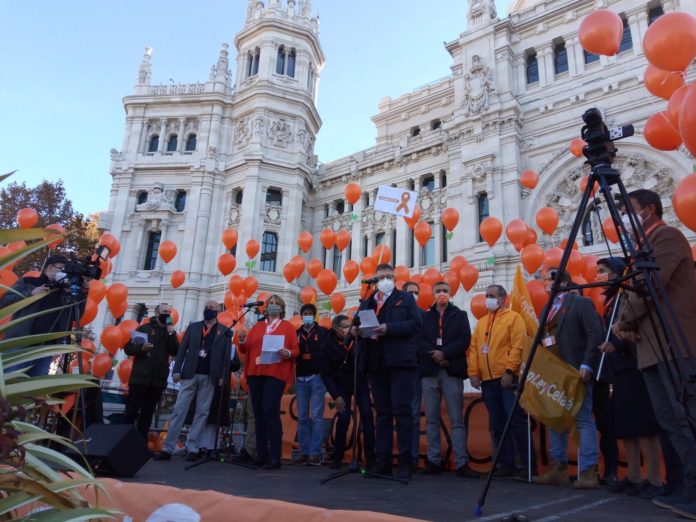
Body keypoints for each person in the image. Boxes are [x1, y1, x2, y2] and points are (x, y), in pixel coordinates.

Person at [613, 189, 696, 518]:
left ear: (648, 210)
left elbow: (649, 285)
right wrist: (630, 327)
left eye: (627, 211)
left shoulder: (666, 236)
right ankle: (687, 487)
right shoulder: (641, 248)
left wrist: (623, 321)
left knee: (684, 417)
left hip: (675, 345)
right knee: (670, 421)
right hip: (651, 348)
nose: (622, 219)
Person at [595, 258, 662, 497]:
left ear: (617, 272)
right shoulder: (610, 299)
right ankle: (634, 475)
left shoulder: (628, 293)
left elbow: (637, 324)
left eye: (603, 271)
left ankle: (653, 478)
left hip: (635, 364)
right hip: (619, 369)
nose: (599, 275)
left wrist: (617, 343)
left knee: (644, 424)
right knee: (626, 425)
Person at [532, 269, 603, 489]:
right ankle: (558, 468)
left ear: (564, 281)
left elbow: (595, 334)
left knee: (582, 419)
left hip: (575, 372)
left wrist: (587, 363)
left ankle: (589, 471)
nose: (546, 282)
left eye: (551, 278)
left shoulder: (579, 303)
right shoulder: (546, 309)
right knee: (555, 421)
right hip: (554, 374)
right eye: (544, 279)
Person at [357, 264, 422, 480]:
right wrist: (359, 330)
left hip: (400, 361)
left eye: (389, 276)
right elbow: (359, 325)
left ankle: (405, 463)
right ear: (374, 280)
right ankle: (383, 461)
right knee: (382, 414)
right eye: (381, 277)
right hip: (376, 363)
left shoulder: (405, 298)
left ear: (394, 278)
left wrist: (390, 329)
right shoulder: (368, 302)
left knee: (402, 412)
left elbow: (415, 323)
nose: (385, 280)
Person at [154, 301, 235, 461]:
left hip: (209, 376)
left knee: (202, 412)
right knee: (179, 410)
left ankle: (193, 447)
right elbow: (182, 349)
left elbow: (226, 358)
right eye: (206, 307)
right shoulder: (194, 327)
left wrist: (222, 378)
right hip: (190, 374)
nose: (208, 310)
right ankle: (167, 448)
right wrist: (176, 370)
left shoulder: (224, 332)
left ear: (218, 311)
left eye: (212, 308)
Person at [468, 284, 535, 479]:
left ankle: (528, 466)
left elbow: (518, 345)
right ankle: (505, 464)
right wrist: (473, 373)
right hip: (488, 382)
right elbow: (474, 350)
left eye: (492, 295)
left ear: (502, 298)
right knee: (497, 424)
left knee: (516, 421)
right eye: (486, 295)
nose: (487, 299)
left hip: (507, 379)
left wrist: (509, 370)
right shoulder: (481, 323)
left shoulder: (514, 318)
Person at [418, 281, 477, 478]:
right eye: (438, 291)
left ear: (450, 294)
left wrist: (444, 354)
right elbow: (419, 341)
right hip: (430, 372)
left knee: (456, 419)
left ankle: (462, 462)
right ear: (433, 294)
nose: (441, 294)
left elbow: (464, 339)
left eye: (445, 291)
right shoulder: (425, 317)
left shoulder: (459, 315)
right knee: (432, 419)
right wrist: (434, 355)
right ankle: (433, 460)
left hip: (451, 371)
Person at [1, 254, 89, 376]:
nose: (64, 272)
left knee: (33, 390)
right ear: (49, 268)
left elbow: (76, 315)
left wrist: (84, 293)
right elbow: (5, 301)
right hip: (20, 344)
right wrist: (31, 293)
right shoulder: (29, 282)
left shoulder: (65, 292)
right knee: (10, 382)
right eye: (61, 268)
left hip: (45, 349)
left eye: (66, 269)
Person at [238, 295, 299, 469]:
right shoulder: (257, 326)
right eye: (270, 303)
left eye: (276, 304)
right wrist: (242, 340)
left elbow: (295, 349)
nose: (272, 306)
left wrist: (287, 352)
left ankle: (275, 456)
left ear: (281, 308)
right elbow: (245, 348)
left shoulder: (287, 327)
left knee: (270, 411)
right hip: (256, 373)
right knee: (258, 413)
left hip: (275, 373)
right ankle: (261, 453)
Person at [321, 314, 375, 470]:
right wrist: (335, 395)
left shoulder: (359, 339)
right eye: (345, 326)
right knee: (343, 418)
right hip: (341, 384)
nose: (349, 329)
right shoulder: (327, 345)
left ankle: (371, 458)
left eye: (349, 325)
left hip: (360, 380)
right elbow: (326, 374)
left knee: (366, 415)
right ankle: (338, 457)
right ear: (337, 329)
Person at [123, 303, 179, 440]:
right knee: (131, 412)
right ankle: (122, 441)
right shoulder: (144, 328)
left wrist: (171, 332)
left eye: (168, 311)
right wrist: (141, 349)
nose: (167, 313)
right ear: (157, 313)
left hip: (157, 380)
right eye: (164, 311)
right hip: (140, 378)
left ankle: (141, 443)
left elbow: (175, 351)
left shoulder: (169, 332)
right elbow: (128, 348)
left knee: (147, 415)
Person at [293, 303, 328, 466]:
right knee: (302, 417)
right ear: (301, 316)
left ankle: (315, 452)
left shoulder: (322, 332)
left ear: (314, 316)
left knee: (316, 416)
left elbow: (327, 352)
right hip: (300, 378)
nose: (306, 315)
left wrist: (322, 370)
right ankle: (303, 451)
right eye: (304, 313)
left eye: (309, 313)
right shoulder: (296, 333)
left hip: (316, 377)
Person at [403, 280, 423, 471]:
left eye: (416, 292)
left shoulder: (423, 316)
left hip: (416, 370)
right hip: (397, 369)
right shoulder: (396, 316)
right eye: (410, 292)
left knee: (414, 415)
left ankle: (413, 457)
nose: (414, 296)